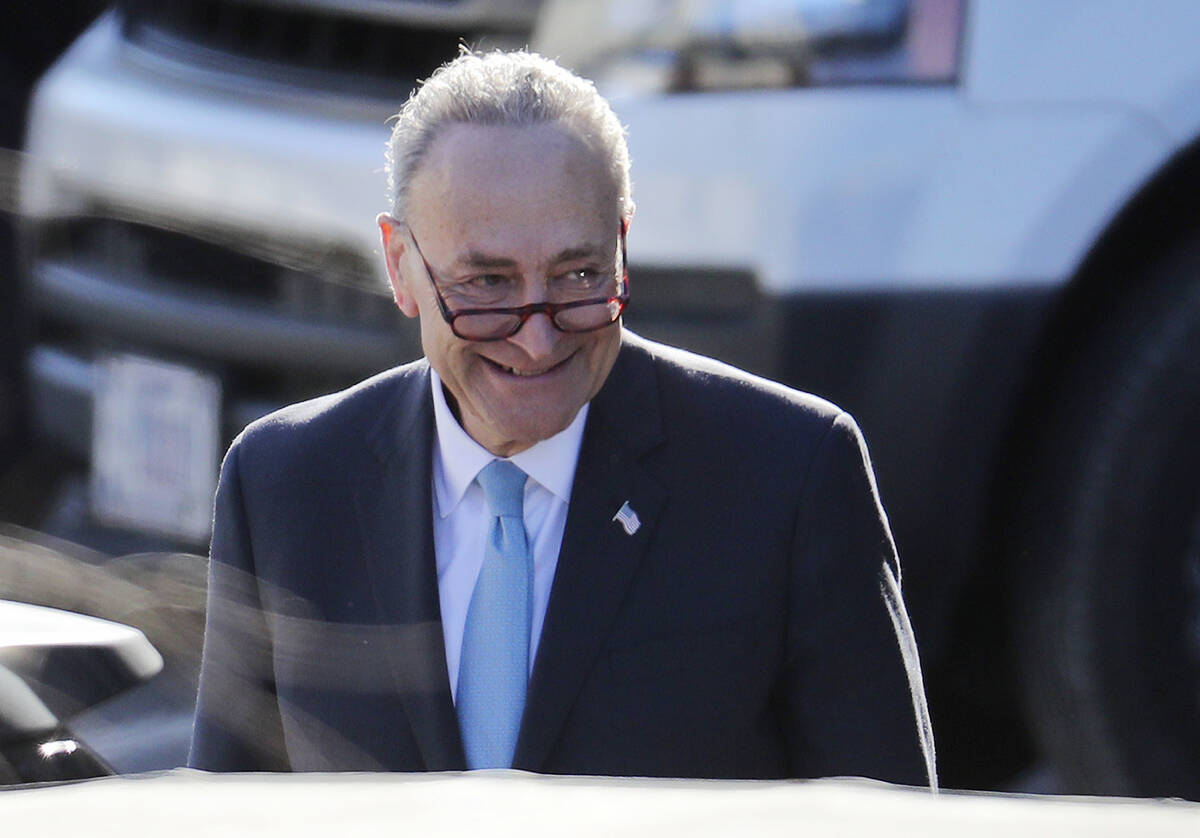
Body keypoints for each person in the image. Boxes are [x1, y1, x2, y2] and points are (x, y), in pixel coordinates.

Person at [189, 50, 936, 787]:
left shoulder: (788, 475)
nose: (539, 339)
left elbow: (890, 817)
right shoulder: (286, 485)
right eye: (487, 284)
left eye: (579, 275)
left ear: (622, 246)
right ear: (400, 265)